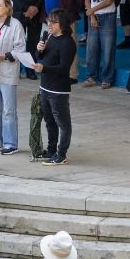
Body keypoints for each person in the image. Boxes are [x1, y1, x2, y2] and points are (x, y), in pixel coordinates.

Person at [0, 0, 34, 154]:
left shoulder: (15, 25)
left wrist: (5, 56)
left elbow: (20, 50)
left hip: (6, 71)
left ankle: (10, 143)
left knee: (9, 110)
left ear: (8, 7)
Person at [33, 8, 76, 164]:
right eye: (48, 21)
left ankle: (61, 154)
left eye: (53, 22)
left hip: (58, 90)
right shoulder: (49, 36)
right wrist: (39, 51)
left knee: (63, 123)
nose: (49, 24)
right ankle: (51, 150)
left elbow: (64, 68)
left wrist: (44, 68)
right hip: (45, 86)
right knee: (49, 121)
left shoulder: (67, 43)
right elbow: (41, 57)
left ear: (62, 24)